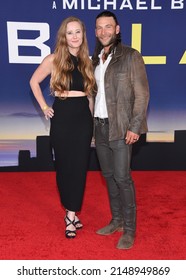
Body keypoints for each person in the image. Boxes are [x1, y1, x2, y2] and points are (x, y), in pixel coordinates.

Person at [30, 17, 96, 239]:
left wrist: (93, 124)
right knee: (64, 167)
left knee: (79, 167)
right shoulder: (53, 59)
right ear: (63, 36)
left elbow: (89, 97)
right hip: (62, 117)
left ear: (83, 35)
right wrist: (44, 107)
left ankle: (70, 214)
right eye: (70, 32)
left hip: (82, 119)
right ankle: (70, 209)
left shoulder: (88, 61)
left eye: (78, 32)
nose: (74, 36)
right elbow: (33, 82)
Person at [92, 11, 149, 249]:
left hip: (122, 127)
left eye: (108, 27)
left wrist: (135, 126)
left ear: (116, 29)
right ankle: (116, 220)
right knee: (108, 177)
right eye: (99, 28)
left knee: (123, 178)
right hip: (100, 127)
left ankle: (130, 229)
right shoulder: (95, 59)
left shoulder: (131, 56)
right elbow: (94, 96)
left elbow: (142, 94)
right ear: (96, 32)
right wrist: (93, 131)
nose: (103, 31)